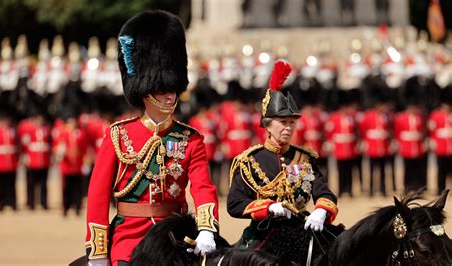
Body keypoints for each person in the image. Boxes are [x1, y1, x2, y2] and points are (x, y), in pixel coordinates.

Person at [85, 10, 219, 265]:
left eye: (173, 89)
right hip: (130, 235)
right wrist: (98, 252)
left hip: (175, 236)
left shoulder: (190, 139)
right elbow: (98, 196)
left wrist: (206, 229)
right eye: (163, 89)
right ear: (146, 92)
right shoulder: (118, 135)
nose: (171, 96)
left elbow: (203, 188)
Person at [227, 61, 338, 253]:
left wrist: (321, 210)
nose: (288, 127)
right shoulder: (249, 161)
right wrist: (268, 207)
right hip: (264, 233)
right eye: (282, 122)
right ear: (268, 125)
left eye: (292, 122)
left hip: (301, 229)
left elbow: (323, 192)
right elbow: (235, 204)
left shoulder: (304, 158)